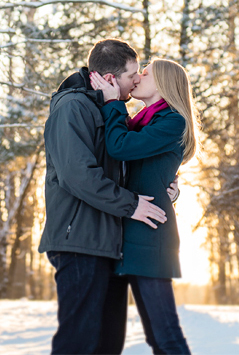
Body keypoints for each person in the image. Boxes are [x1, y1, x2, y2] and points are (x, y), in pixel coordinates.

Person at [39, 38, 171, 355]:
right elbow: (77, 175)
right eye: (132, 74)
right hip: (79, 241)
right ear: (111, 78)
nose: (137, 80)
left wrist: (167, 182)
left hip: (107, 242)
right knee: (79, 342)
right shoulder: (73, 108)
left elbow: (125, 163)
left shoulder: (109, 110)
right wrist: (131, 205)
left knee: (108, 344)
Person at [90, 58, 200, 354]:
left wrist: (113, 103)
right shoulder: (147, 120)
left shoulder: (172, 121)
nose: (137, 78)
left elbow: (120, 147)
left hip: (150, 236)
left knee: (165, 336)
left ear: (163, 83)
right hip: (126, 234)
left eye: (146, 73)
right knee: (114, 338)